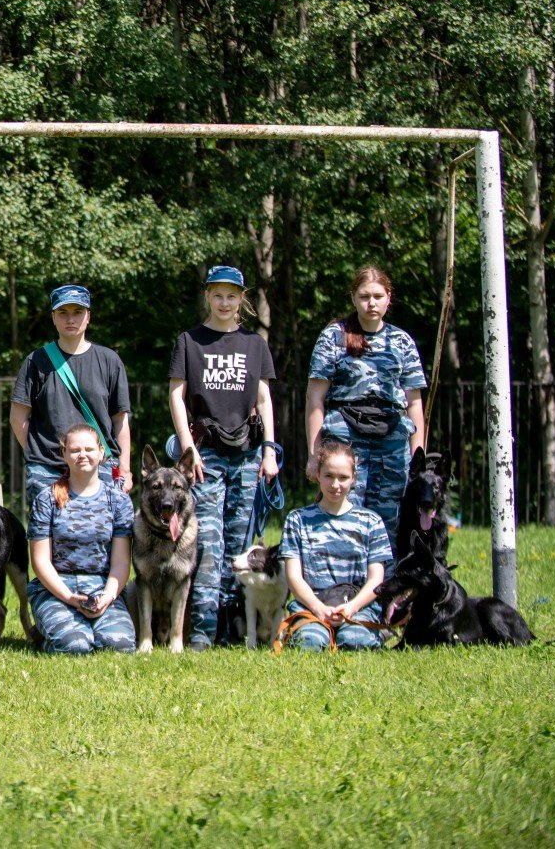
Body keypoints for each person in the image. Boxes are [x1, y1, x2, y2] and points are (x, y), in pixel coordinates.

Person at [167, 265, 280, 650]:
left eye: (232, 296)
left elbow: (264, 399)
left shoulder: (255, 344)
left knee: (240, 545)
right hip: (206, 456)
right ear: (207, 296)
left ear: (241, 299)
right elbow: (176, 396)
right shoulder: (190, 341)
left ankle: (234, 630)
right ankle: (203, 631)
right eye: (218, 295)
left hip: (248, 455)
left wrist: (269, 450)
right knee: (208, 547)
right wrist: (188, 447)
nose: (225, 302)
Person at [304, 266, 426, 544]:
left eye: (378, 296)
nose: (371, 303)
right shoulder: (333, 337)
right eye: (364, 296)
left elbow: (414, 403)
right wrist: (314, 454)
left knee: (390, 524)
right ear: (353, 298)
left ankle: (383, 573)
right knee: (342, 518)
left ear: (388, 298)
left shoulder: (402, 342)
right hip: (345, 440)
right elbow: (315, 398)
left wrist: (418, 460)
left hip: (392, 445)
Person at [10, 283, 133, 513]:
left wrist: (124, 467)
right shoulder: (36, 361)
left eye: (78, 312)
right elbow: (18, 418)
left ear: (88, 317)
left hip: (99, 466)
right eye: (63, 313)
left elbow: (120, 420)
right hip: (48, 471)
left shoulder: (109, 360)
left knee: (100, 531)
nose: (70, 319)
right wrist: (40, 455)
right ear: (53, 318)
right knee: (48, 532)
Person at [26, 424, 136, 655]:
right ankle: (46, 635)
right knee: (74, 646)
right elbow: (40, 561)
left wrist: (107, 596)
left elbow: (121, 563)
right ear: (64, 454)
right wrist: (69, 597)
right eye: (75, 450)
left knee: (120, 645)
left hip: (101, 587)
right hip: (56, 588)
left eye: (89, 449)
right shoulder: (46, 499)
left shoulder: (119, 501)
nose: (82, 455)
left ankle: (82, 627)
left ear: (101, 452)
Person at [280, 440, 391, 651]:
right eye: (329, 476)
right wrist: (318, 608)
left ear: (354, 477)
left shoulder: (372, 521)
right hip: (311, 606)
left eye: (343, 477)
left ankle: (372, 632)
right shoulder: (297, 520)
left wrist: (351, 608)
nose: (335, 485)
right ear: (318, 474)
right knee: (310, 643)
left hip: (358, 607)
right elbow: (293, 577)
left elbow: (376, 579)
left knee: (356, 641)